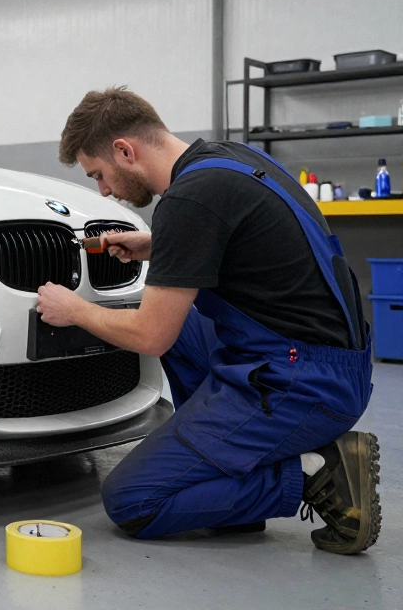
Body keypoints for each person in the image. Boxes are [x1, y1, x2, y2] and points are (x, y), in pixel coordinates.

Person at [37, 87, 379, 554]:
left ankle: (316, 476)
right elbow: (248, 239)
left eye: (99, 175)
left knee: (133, 500)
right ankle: (223, 474)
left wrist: (73, 309)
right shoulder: (224, 161)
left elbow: (151, 337)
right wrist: (159, 244)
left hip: (302, 382)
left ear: (125, 151)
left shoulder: (189, 200)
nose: (103, 190)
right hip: (326, 359)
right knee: (176, 325)